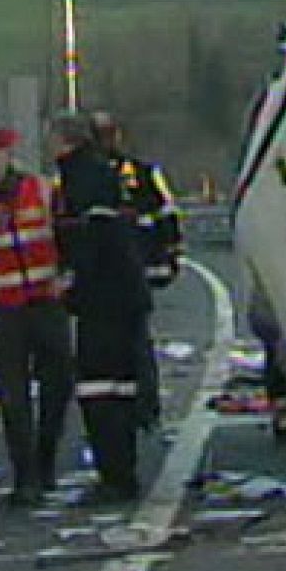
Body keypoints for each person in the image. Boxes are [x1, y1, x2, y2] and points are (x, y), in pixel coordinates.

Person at [49, 111, 152, 504]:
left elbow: (91, 241)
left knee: (99, 388)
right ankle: (121, 471)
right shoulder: (105, 173)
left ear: (64, 142)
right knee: (121, 387)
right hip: (123, 296)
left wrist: (71, 284)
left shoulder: (81, 179)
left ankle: (115, 476)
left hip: (102, 302)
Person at [0, 127, 75, 506]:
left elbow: (63, 237)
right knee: (12, 394)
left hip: (45, 300)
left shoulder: (40, 190)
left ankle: (45, 459)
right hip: (2, 305)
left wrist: (66, 277)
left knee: (59, 380)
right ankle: (26, 474)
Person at [91, 110, 183, 430]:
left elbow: (167, 216)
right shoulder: (87, 176)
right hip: (111, 276)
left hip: (131, 272)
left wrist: (168, 259)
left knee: (134, 343)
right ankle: (129, 408)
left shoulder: (142, 174)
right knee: (125, 345)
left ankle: (142, 407)